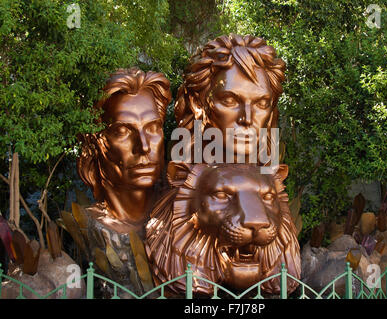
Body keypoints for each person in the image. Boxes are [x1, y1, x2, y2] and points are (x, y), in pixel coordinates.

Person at [77, 68, 171, 233]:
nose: (144, 146)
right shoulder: (86, 227)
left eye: (152, 128)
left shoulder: (178, 216)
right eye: (122, 132)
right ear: (94, 142)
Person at [174, 34, 286, 164]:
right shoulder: (182, 178)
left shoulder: (270, 180)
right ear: (197, 103)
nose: (247, 119)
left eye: (261, 103)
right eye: (229, 101)